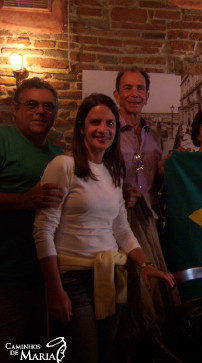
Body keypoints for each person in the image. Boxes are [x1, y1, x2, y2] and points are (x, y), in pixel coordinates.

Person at [33, 94, 174, 363]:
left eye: (110, 123)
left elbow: (121, 227)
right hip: (74, 278)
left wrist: (145, 264)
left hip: (112, 272)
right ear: (81, 127)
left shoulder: (114, 171)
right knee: (84, 355)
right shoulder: (64, 165)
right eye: (95, 122)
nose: (103, 129)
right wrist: (53, 287)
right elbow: (42, 231)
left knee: (108, 352)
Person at [0, 77, 64, 361]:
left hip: (45, 277)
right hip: (5, 277)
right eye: (32, 105)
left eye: (48, 107)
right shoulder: (2, 140)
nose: (41, 111)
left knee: (38, 353)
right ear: (14, 108)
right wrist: (21, 200)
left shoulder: (59, 154)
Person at [112, 68, 172, 360]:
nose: (134, 93)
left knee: (151, 289)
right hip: (118, 222)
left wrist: (162, 173)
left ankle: (150, 350)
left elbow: (155, 184)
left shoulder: (154, 135)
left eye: (139, 89)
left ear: (147, 97)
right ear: (117, 94)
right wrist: (120, 191)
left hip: (149, 219)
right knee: (126, 292)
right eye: (127, 88)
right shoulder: (108, 130)